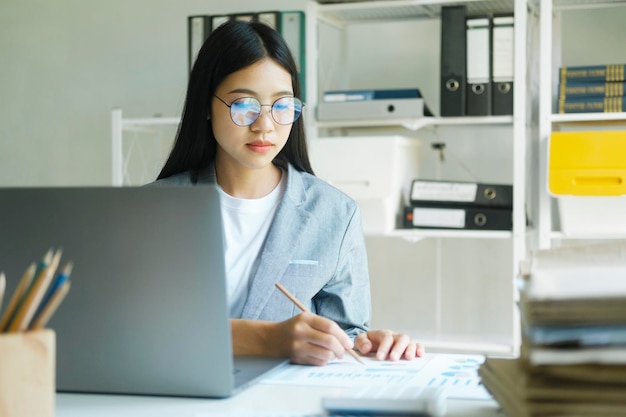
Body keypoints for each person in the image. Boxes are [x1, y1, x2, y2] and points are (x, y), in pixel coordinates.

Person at [152, 19, 424, 366]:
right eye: (244, 106)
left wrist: (368, 343)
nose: (264, 125)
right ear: (207, 106)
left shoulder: (335, 214)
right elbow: (136, 328)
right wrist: (268, 339)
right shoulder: (154, 208)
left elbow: (345, 331)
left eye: (281, 106)